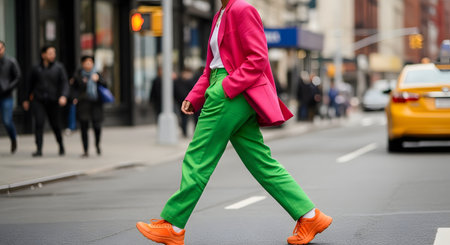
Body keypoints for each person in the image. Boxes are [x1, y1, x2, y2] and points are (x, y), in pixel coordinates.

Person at [136, 0, 332, 244]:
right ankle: (309, 215)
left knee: (198, 157)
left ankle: (173, 226)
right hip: (228, 90)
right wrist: (195, 95)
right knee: (261, 161)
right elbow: (211, 68)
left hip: (231, 92)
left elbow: (257, 58)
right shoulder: (221, 13)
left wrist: (224, 89)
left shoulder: (241, 9)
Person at [23, 45, 69, 157]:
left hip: (53, 100)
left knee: (55, 125)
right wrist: (26, 99)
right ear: (43, 55)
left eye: (54, 53)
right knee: (39, 123)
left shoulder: (59, 67)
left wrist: (63, 96)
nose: (53, 55)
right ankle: (38, 149)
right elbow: (29, 84)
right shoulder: (36, 68)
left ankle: (61, 145)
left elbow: (64, 83)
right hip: (39, 100)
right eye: (50, 53)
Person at [70, 56, 106, 157]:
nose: (89, 64)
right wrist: (74, 98)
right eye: (86, 62)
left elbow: (106, 85)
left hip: (96, 104)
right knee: (84, 127)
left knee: (97, 126)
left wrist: (98, 80)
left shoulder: (97, 74)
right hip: (83, 104)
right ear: (82, 64)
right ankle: (85, 150)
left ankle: (97, 144)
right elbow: (73, 88)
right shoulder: (78, 75)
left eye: (91, 62)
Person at [0, 40, 21, 154]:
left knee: (7, 121)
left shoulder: (11, 62)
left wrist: (8, 87)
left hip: (6, 96)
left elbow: (18, 77)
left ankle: (13, 138)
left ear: (4, 49)